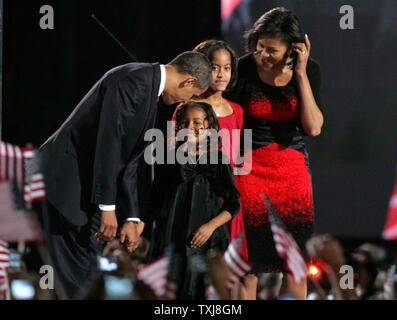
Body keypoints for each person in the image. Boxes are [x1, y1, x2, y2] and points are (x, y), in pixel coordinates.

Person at [38, 51, 212, 299]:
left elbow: (129, 161)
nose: (184, 102)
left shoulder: (149, 88)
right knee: (73, 273)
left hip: (86, 189)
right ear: (190, 81)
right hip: (65, 183)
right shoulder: (133, 80)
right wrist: (108, 206)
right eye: (191, 96)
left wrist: (131, 216)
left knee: (89, 269)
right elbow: (109, 143)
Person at [226, 7, 324, 300]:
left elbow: (314, 127)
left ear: (294, 48)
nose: (262, 54)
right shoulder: (242, 68)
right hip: (249, 170)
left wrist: (301, 74)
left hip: (291, 172)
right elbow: (226, 120)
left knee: (294, 264)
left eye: (271, 49)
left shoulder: (310, 71)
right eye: (258, 46)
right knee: (248, 264)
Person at [142, 102, 241, 299]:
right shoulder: (167, 159)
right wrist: (140, 231)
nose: (191, 128)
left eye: (197, 122)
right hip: (172, 235)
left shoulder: (219, 160)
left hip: (207, 239)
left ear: (210, 127)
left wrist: (210, 227)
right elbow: (153, 202)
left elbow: (233, 203)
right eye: (185, 123)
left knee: (202, 291)